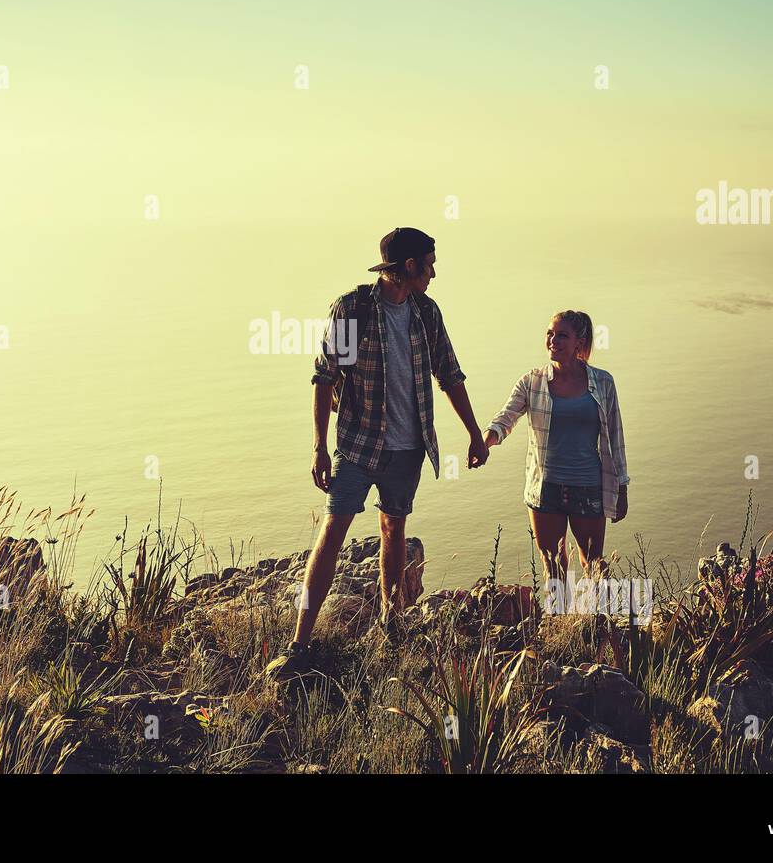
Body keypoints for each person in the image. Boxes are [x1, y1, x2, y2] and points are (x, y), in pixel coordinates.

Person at [267, 227, 488, 680]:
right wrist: (319, 447)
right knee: (332, 533)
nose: (433, 273)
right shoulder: (353, 309)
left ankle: (391, 626)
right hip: (357, 445)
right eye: (429, 264)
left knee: (394, 530)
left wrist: (474, 434)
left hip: (408, 448)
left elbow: (450, 375)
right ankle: (299, 644)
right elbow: (324, 377)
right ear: (409, 266)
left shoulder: (426, 312)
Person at [483, 311, 629, 585]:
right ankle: (560, 613)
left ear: (579, 343)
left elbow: (616, 438)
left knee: (593, 564)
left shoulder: (603, 382)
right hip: (545, 490)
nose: (553, 340)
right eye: (549, 334)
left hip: (588, 488)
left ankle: (596, 612)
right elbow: (505, 419)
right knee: (552, 567)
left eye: (562, 335)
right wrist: (485, 442)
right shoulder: (532, 382)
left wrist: (621, 488)